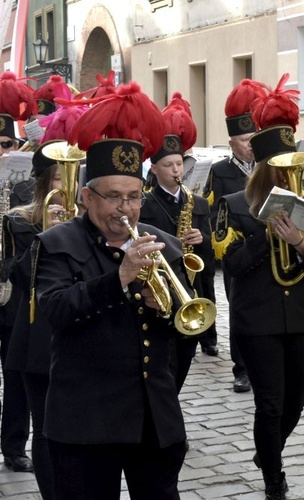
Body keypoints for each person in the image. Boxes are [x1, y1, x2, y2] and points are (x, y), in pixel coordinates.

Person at [33, 83, 188, 499]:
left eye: (135, 197)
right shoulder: (57, 244)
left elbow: (187, 329)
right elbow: (55, 310)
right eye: (114, 197)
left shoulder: (163, 243)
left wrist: (164, 311)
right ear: (86, 197)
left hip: (152, 419)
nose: (126, 209)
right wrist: (120, 279)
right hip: (85, 419)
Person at [214, 76, 304, 499]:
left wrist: (299, 239)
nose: (288, 171)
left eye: (291, 164)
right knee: (271, 404)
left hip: (299, 316)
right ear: (266, 166)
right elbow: (232, 265)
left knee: (295, 403)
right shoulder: (234, 206)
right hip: (257, 318)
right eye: (281, 164)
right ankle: (274, 478)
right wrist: (268, 234)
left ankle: (269, 451)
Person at [3, 140, 72, 497]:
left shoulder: (85, 221)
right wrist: (46, 232)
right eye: (61, 178)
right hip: (29, 326)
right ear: (45, 183)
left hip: (71, 327)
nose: (68, 187)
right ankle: (18, 451)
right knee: (33, 409)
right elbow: (16, 274)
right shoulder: (19, 220)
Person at [140, 94, 212, 391]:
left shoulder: (197, 202)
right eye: (168, 165)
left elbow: (211, 249)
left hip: (192, 284)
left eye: (179, 164)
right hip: (161, 286)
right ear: (154, 169)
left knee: (183, 359)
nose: (176, 171)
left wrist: (202, 238)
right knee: (162, 365)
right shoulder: (144, 204)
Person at [203, 79, 264, 391]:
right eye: (243, 139)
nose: (250, 144)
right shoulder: (221, 172)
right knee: (239, 308)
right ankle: (241, 369)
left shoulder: (269, 167)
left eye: (254, 137)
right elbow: (214, 215)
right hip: (237, 251)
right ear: (231, 143)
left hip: (266, 247)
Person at [0, 71, 38, 474]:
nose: (1, 151)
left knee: (16, 373)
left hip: (12, 288)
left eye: (7, 144)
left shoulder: (26, 184)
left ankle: (14, 446)